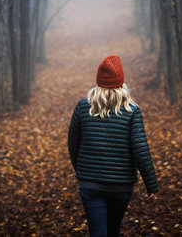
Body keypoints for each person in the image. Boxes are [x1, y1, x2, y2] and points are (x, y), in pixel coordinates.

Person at [68, 54, 159, 237]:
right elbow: (140, 150)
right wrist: (151, 185)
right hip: (121, 186)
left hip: (90, 185)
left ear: (99, 81)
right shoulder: (131, 110)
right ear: (121, 82)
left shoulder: (83, 107)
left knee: (98, 233)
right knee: (113, 231)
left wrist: (83, 171)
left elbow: (73, 144)